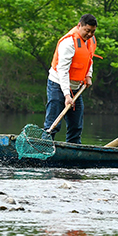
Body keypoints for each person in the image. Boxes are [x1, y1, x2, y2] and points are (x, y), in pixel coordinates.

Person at [45, 14, 100, 143]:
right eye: (87, 30)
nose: (90, 34)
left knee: (76, 126)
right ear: (79, 26)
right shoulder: (68, 43)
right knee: (53, 124)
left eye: (93, 31)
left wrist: (88, 75)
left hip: (76, 87)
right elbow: (62, 71)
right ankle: (44, 148)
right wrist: (66, 95)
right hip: (58, 85)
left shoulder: (90, 40)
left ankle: (74, 152)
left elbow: (89, 59)